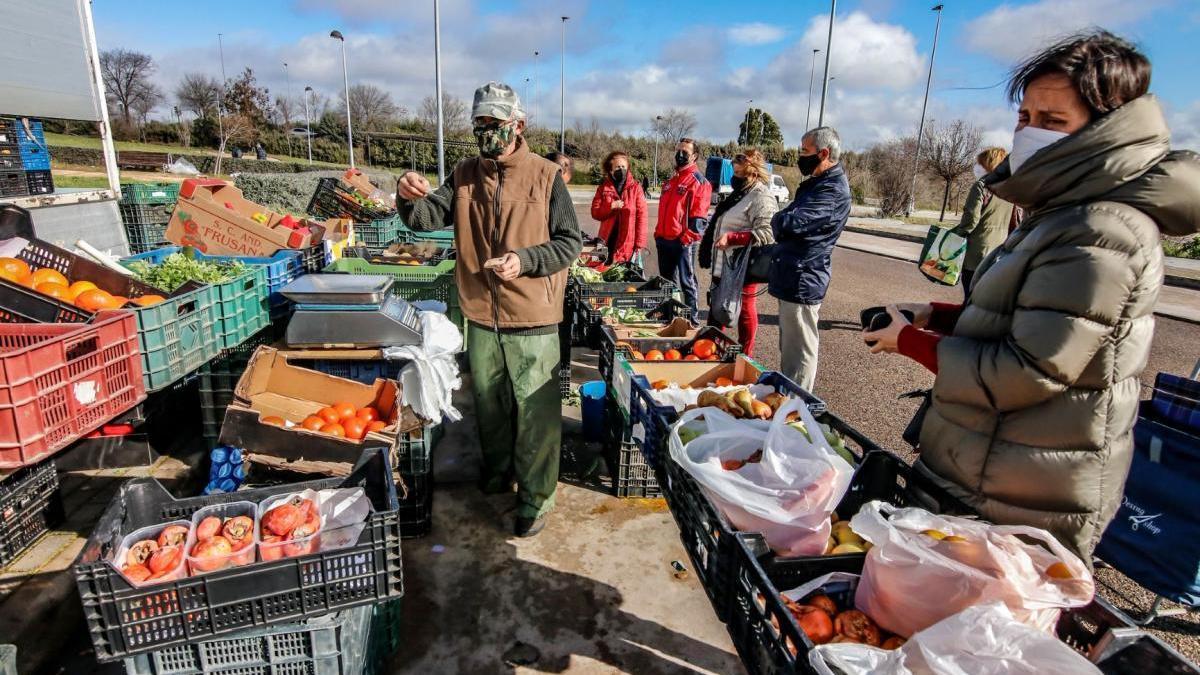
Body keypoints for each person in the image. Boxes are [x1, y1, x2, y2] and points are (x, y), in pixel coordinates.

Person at [862, 30, 1200, 561]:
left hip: (1023, 492)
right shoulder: (1062, 209)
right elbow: (1028, 317)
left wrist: (909, 341)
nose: (1029, 133)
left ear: (1107, 129)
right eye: (1025, 117)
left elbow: (1029, 370)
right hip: (990, 467)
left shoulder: (1102, 228)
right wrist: (939, 315)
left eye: (1053, 121)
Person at [395, 82, 583, 538]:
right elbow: (423, 219)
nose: (486, 133)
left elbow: (569, 243)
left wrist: (525, 260)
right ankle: (499, 473)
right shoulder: (463, 175)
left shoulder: (545, 176)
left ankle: (535, 499)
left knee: (536, 413)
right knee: (491, 407)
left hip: (533, 317)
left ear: (518, 126)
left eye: (495, 125)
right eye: (479, 125)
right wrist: (405, 194)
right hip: (480, 315)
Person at [768, 127, 850, 392]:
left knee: (800, 351)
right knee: (790, 347)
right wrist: (781, 219)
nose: (799, 156)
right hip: (794, 273)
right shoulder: (816, 185)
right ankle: (788, 399)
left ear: (823, 153)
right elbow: (786, 219)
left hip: (804, 276)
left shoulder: (832, 190)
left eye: (805, 151)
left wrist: (779, 220)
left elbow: (791, 222)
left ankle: (796, 406)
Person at [699, 149, 777, 355]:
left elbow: (768, 232)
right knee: (717, 308)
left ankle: (745, 354)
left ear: (754, 173)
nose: (736, 178)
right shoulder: (738, 194)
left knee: (743, 307)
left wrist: (732, 238)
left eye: (741, 174)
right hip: (722, 262)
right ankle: (710, 351)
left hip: (741, 265)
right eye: (735, 173)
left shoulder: (761, 195)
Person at [654, 138, 712, 322]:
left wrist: (687, 238)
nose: (680, 154)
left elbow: (699, 218)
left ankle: (692, 321)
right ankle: (669, 317)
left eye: (685, 152)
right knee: (667, 283)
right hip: (664, 239)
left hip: (682, 242)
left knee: (687, 282)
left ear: (694, 156)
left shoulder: (699, 182)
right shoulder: (670, 182)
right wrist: (658, 234)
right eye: (678, 150)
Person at [950, 147, 1015, 298]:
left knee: (970, 297)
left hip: (976, 253)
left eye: (980, 163)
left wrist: (954, 237)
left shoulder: (981, 186)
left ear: (988, 164)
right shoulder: (1010, 188)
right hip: (999, 253)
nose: (977, 167)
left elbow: (970, 220)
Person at [590, 151, 648, 266]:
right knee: (597, 271)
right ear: (610, 170)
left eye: (623, 167)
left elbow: (642, 216)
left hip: (627, 242)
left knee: (622, 273)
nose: (621, 170)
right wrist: (610, 206)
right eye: (617, 167)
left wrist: (640, 244)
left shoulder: (636, 188)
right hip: (605, 239)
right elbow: (595, 213)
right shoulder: (603, 188)